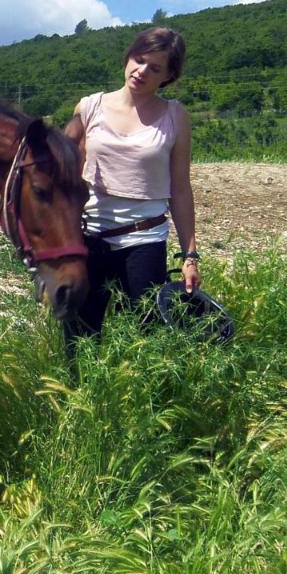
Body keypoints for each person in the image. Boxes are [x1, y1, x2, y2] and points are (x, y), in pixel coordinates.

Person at [63, 26, 201, 350]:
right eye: (139, 60)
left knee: (143, 343)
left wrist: (190, 256)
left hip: (144, 240)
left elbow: (181, 189)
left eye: (155, 68)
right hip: (89, 237)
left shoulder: (176, 117)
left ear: (168, 76)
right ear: (128, 57)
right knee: (79, 341)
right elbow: (63, 172)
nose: (142, 72)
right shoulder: (88, 108)